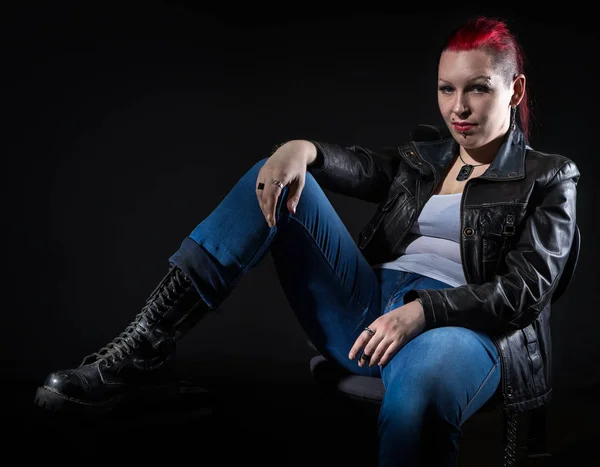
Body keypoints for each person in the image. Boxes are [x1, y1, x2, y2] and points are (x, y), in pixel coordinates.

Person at [34, 15, 579, 467]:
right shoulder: (427, 158)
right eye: (447, 88)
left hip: (457, 331)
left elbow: (527, 290)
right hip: (365, 313)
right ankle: (143, 350)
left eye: (478, 88)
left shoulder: (550, 177)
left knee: (420, 400)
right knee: (272, 175)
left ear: (516, 90)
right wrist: (300, 148)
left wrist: (423, 313)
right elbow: (363, 167)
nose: (458, 108)